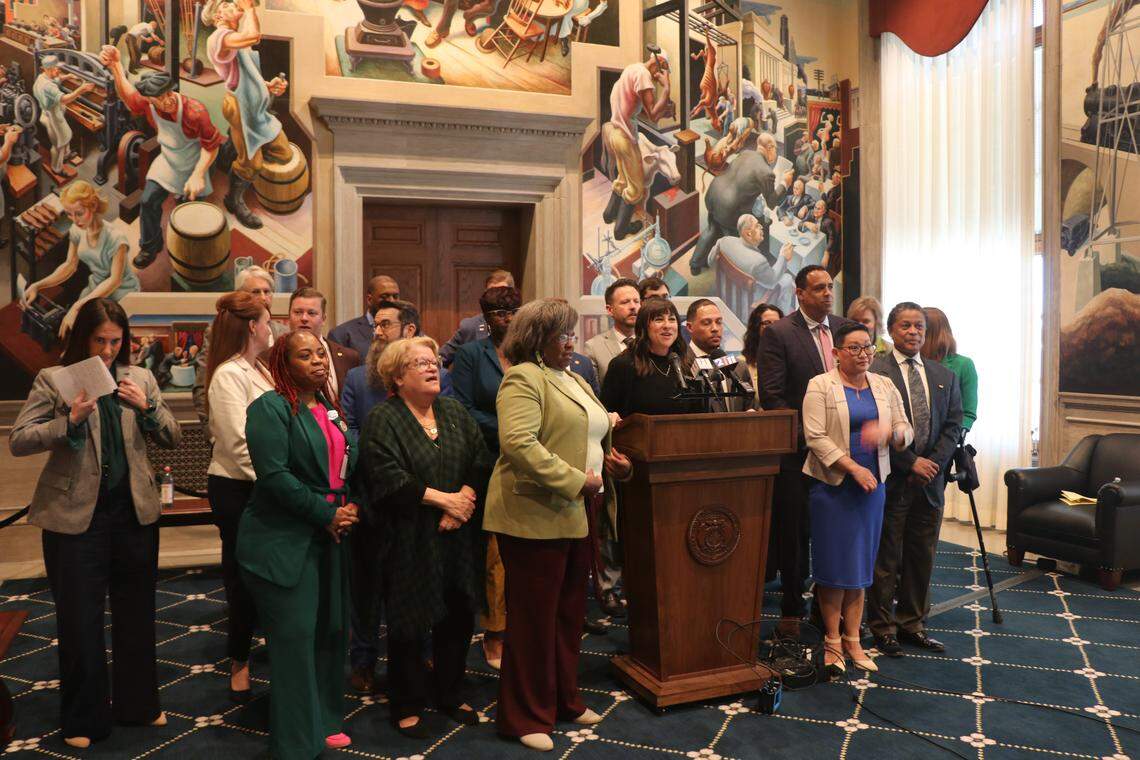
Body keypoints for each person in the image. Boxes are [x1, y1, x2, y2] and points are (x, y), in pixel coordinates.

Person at [10, 298, 180, 749]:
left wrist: (147, 407)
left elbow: (172, 435)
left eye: (115, 341)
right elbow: (20, 439)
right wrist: (68, 421)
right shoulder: (56, 378)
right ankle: (83, 719)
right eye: (100, 341)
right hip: (75, 518)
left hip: (133, 513)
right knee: (80, 620)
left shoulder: (140, 377)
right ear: (83, 338)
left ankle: (138, 706)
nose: (107, 351)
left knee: (137, 614)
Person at [484, 299, 630, 751]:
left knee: (569, 614)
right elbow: (518, 444)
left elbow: (588, 435)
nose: (570, 343)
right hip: (533, 513)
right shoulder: (523, 377)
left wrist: (613, 465)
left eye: (571, 334)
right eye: (560, 336)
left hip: (577, 510)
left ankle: (563, 699)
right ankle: (524, 715)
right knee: (533, 619)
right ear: (536, 339)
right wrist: (576, 480)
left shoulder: (576, 378)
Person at [359, 337, 492, 737]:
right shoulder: (384, 418)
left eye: (433, 361)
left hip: (458, 535)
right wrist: (445, 501)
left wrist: (463, 499)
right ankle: (407, 702)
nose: (433, 367)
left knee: (458, 615)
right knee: (409, 623)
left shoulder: (453, 411)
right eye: (420, 363)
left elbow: (480, 458)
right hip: (409, 538)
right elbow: (386, 477)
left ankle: (450, 693)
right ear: (397, 377)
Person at [237, 330, 360, 758]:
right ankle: (295, 743)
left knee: (330, 632)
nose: (318, 361)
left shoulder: (329, 407)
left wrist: (348, 506)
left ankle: (323, 721)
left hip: (330, 536)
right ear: (283, 365)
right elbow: (274, 477)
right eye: (305, 356)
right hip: (282, 539)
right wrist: (326, 514)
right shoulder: (268, 409)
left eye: (320, 354)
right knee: (294, 639)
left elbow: (344, 467)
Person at [801, 323, 912, 678]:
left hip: (872, 488)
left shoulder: (884, 384)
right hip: (833, 487)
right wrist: (853, 469)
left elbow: (906, 428)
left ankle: (853, 640)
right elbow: (815, 437)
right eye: (854, 348)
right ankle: (832, 640)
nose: (863, 354)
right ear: (836, 353)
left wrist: (892, 433)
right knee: (834, 568)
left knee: (861, 567)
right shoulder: (820, 385)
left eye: (868, 347)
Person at [758, 265, 855, 633]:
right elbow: (773, 397)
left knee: (837, 533)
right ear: (799, 293)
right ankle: (792, 610)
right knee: (795, 536)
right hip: (799, 454)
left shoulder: (845, 329)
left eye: (830, 286)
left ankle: (833, 610)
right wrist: (814, 440)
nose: (828, 293)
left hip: (846, 454)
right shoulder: (780, 333)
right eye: (818, 288)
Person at [868, 302, 963, 657]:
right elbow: (873, 426)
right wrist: (911, 463)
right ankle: (882, 627)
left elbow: (953, 426)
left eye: (919, 326)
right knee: (887, 556)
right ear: (891, 330)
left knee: (922, 554)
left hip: (930, 482)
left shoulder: (944, 375)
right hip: (893, 477)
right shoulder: (875, 371)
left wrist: (932, 465)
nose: (913, 332)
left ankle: (912, 623)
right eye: (905, 326)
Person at [341, 298, 417, 696]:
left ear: (408, 331)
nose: (377, 331)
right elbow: (349, 431)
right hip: (369, 494)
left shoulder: (431, 375)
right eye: (376, 325)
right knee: (366, 586)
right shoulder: (357, 379)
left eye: (386, 324)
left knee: (413, 582)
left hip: (415, 497)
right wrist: (381, 456)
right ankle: (363, 660)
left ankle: (418, 657)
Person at [203, 291, 275, 703]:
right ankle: (239, 660)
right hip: (240, 487)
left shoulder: (259, 367)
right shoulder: (229, 374)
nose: (271, 327)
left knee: (268, 575)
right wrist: (279, 481)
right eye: (266, 320)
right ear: (252, 326)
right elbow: (238, 444)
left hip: (265, 483)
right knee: (242, 578)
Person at [449, 285, 521, 670]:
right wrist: (508, 428)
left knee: (525, 548)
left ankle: (522, 626)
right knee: (493, 551)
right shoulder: (471, 355)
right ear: (486, 318)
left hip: (527, 461)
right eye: (498, 313)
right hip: (488, 460)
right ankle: (494, 630)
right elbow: (461, 407)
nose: (507, 319)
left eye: (513, 312)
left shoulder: (530, 352)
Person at [99, 47, 223, 270]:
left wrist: (197, 175)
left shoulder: (195, 111)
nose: (167, 101)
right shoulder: (147, 104)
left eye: (168, 93)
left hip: (196, 163)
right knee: (148, 201)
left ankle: (188, 254)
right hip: (168, 160)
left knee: (187, 212)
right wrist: (116, 65)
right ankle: (150, 246)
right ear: (149, 99)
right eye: (160, 98)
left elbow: (211, 146)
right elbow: (128, 96)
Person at [203, 0, 293, 229]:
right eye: (227, 4)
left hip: (257, 110)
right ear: (218, 16)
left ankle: (230, 151)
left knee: (284, 154)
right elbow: (254, 36)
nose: (234, 4)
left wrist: (268, 86)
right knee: (253, 164)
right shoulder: (219, 38)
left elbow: (247, 74)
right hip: (240, 108)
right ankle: (233, 199)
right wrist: (250, 8)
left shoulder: (237, 40)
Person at [21, 181, 139, 339]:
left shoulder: (116, 239)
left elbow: (115, 280)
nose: (75, 220)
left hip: (121, 292)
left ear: (93, 206)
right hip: (95, 287)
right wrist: (38, 285)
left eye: (79, 213)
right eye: (69, 214)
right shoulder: (77, 230)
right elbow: (69, 265)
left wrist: (78, 306)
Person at [192, 265, 288, 422]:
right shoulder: (220, 331)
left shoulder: (283, 333)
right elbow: (202, 385)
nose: (263, 298)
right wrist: (211, 430)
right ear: (240, 296)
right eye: (256, 292)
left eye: (267, 291)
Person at [601, 50, 675, 238]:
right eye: (662, 69)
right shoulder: (643, 75)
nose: (659, 75)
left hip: (616, 133)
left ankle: (609, 214)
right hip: (626, 139)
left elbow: (636, 108)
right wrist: (666, 89)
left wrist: (663, 112)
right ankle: (620, 231)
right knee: (636, 189)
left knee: (623, 179)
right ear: (659, 63)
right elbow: (652, 115)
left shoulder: (632, 69)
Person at [601, 296, 704, 419]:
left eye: (672, 319)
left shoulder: (686, 363)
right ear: (644, 327)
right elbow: (607, 415)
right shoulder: (624, 365)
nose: (667, 325)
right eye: (659, 320)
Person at [707, 213, 797, 315]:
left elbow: (710, 262)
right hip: (745, 309)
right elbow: (772, 282)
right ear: (748, 233)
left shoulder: (723, 241)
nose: (761, 227)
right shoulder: (758, 262)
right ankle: (782, 316)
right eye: (757, 225)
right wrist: (783, 257)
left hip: (725, 295)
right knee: (787, 279)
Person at [288, 287, 359, 401]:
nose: (304, 318)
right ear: (289, 316)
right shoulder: (271, 357)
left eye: (311, 313)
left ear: (323, 319)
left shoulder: (349, 357)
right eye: (298, 312)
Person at [685, 298, 756, 412]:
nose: (715, 329)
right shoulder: (680, 365)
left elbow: (750, 407)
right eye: (706, 323)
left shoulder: (739, 367)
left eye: (718, 322)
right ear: (690, 327)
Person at [439, 269, 514, 367]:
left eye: (501, 292)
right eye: (491, 293)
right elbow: (440, 360)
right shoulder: (470, 327)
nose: (496, 298)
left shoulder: (522, 325)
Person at [34, 55, 93, 175]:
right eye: (56, 68)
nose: (59, 71)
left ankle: (66, 154)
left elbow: (55, 79)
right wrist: (81, 89)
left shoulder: (41, 78)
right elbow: (64, 99)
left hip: (47, 114)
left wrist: (68, 76)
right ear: (48, 69)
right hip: (53, 117)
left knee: (65, 137)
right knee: (59, 144)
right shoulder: (48, 87)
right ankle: (57, 168)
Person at [921, 307, 978, 433]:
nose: (913, 332)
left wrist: (952, 437)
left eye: (919, 327)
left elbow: (968, 413)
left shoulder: (964, 365)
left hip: (950, 439)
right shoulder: (911, 363)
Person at [329, 274, 401, 360]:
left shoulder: (407, 330)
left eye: (395, 297)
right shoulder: (342, 334)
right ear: (369, 300)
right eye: (384, 297)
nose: (391, 301)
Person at [584, 277, 640, 385]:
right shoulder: (593, 347)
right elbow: (594, 391)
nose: (633, 307)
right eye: (625, 302)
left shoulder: (652, 343)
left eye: (636, 301)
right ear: (610, 310)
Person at [741, 302, 783, 406]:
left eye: (777, 323)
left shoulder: (789, 359)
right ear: (756, 327)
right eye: (767, 323)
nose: (773, 328)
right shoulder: (742, 363)